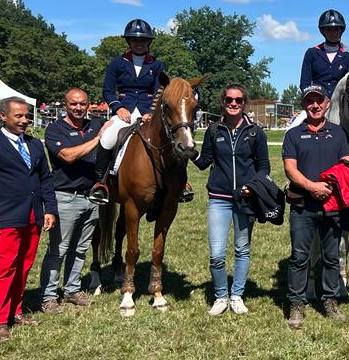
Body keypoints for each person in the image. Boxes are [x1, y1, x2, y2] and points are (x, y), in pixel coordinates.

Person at [0, 96, 57, 341]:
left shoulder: (34, 144)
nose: (24, 121)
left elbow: (45, 179)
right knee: (4, 267)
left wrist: (49, 208)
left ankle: (15, 311)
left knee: (24, 265)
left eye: (27, 116)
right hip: (6, 216)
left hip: (33, 215)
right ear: (3, 116)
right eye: (18, 116)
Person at [89, 19, 195, 204]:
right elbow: (107, 90)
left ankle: (182, 183)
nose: (139, 43)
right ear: (129, 41)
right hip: (124, 110)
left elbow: (159, 92)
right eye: (135, 40)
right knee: (107, 137)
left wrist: (151, 112)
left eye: (143, 40)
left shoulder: (156, 65)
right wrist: (118, 107)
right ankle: (101, 184)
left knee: (174, 139)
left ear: (149, 42)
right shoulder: (118, 63)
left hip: (148, 113)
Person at [192, 84, 271, 316]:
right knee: (216, 253)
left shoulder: (255, 132)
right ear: (222, 102)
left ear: (244, 103)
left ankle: (236, 295)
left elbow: (264, 167)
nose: (233, 104)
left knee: (242, 249)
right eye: (229, 100)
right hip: (219, 198)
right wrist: (190, 153)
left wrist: (252, 186)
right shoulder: (214, 130)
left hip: (246, 199)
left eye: (238, 100)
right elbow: (205, 161)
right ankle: (220, 296)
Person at [282, 84, 349, 329]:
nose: (315, 105)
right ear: (304, 105)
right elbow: (290, 168)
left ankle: (330, 300)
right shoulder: (293, 134)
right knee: (300, 257)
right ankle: (297, 304)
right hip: (303, 206)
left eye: (318, 101)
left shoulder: (339, 133)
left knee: (331, 256)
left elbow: (346, 163)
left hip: (332, 205)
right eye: (310, 101)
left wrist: (332, 187)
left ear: (327, 103)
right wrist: (312, 187)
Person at [38, 88, 110, 314]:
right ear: (65, 105)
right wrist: (99, 139)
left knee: (80, 248)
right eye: (73, 104)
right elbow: (68, 156)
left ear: (88, 105)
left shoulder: (95, 123)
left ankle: (72, 290)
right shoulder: (55, 129)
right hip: (65, 197)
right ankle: (48, 296)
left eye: (83, 104)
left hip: (92, 196)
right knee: (58, 250)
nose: (78, 108)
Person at [300, 10, 349, 100]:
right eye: (328, 29)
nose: (332, 33)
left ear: (341, 31)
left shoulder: (347, 57)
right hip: (316, 103)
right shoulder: (311, 53)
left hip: (339, 104)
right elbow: (304, 84)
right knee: (300, 115)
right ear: (323, 31)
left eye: (336, 29)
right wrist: (315, 100)